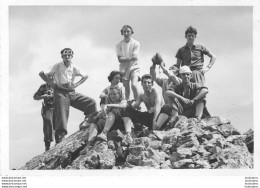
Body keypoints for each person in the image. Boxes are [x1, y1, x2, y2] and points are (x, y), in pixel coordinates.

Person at [39, 48, 97, 143]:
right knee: (62, 113)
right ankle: (60, 136)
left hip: (71, 91)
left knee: (91, 102)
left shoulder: (74, 67)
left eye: (69, 55)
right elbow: (41, 73)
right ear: (62, 56)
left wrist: (77, 84)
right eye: (65, 55)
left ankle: (88, 120)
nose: (67, 57)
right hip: (60, 92)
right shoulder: (57, 65)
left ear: (72, 56)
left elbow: (85, 76)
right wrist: (51, 83)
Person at [153, 66, 209, 130]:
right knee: (167, 106)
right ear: (180, 76)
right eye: (183, 74)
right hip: (181, 112)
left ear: (190, 76)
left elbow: (205, 90)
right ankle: (158, 127)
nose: (186, 76)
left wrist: (194, 100)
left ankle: (197, 119)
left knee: (202, 96)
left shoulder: (195, 85)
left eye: (188, 74)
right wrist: (182, 98)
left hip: (193, 111)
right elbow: (168, 92)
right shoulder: (177, 86)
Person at [80, 86, 132, 154]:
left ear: (119, 95)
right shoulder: (108, 104)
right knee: (96, 120)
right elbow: (103, 116)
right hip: (110, 124)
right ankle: (88, 145)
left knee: (114, 110)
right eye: (110, 94)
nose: (112, 96)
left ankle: (126, 135)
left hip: (120, 124)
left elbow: (123, 106)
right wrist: (102, 114)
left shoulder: (123, 101)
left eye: (114, 94)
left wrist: (108, 105)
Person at [116, 25, 140, 100]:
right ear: (122, 33)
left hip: (134, 67)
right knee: (126, 88)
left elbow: (135, 57)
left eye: (128, 31)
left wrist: (125, 59)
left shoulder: (136, 43)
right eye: (124, 32)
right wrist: (130, 58)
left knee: (134, 85)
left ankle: (137, 102)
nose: (126, 33)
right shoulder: (118, 45)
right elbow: (120, 59)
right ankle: (127, 104)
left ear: (131, 32)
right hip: (123, 69)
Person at [33, 82, 55, 151]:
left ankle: (59, 142)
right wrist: (44, 96)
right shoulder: (43, 86)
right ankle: (47, 146)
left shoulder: (58, 83)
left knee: (58, 126)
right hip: (47, 107)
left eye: (52, 75)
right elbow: (35, 97)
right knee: (48, 125)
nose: (51, 77)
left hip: (58, 107)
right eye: (48, 76)